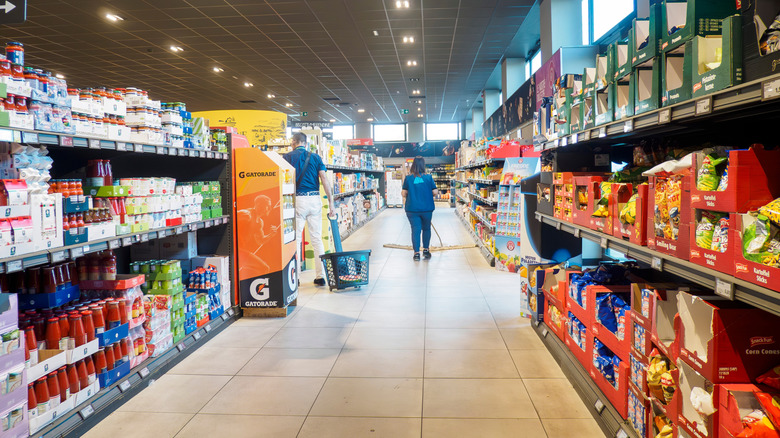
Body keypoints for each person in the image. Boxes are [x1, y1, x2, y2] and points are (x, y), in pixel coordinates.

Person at [284, 132, 335, 286]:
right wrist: (331, 203)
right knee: (317, 239)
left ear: (294, 142)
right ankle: (320, 276)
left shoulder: (287, 157)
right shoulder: (316, 157)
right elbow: (324, 179)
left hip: (297, 200)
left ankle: (296, 277)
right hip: (314, 199)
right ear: (305, 143)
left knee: (296, 239)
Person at [402, 156, 438, 261]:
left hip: (412, 208)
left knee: (415, 229)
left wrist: (411, 193)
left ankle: (416, 253)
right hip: (427, 208)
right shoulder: (428, 177)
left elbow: (404, 193)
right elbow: (435, 192)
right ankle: (426, 250)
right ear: (423, 165)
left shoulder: (408, 178)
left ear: (413, 165)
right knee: (426, 228)